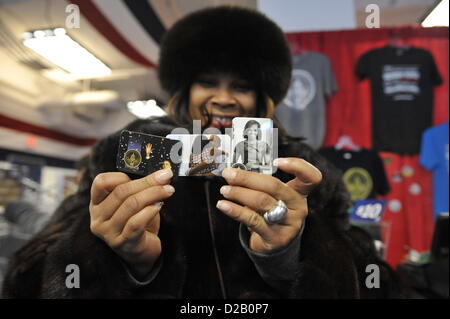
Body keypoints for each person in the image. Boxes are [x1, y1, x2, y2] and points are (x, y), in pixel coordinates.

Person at [2, 6, 403, 299]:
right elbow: (27, 278)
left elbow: (375, 282)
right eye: (208, 82)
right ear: (184, 90)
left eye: (241, 86)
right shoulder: (125, 156)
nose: (224, 98)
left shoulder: (302, 169)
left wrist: (293, 253)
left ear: (262, 97)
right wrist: (118, 257)